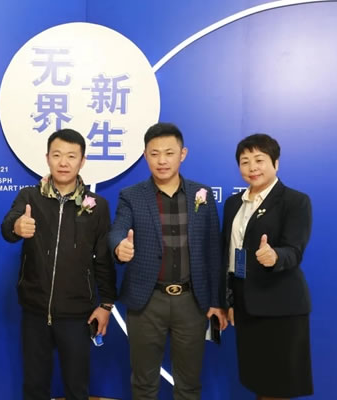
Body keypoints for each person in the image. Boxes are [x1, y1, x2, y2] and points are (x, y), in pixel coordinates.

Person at [108, 122, 227, 400]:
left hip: (192, 301)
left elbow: (213, 249)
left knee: (189, 384)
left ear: (182, 154)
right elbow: (117, 229)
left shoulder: (202, 194)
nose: (162, 160)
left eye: (169, 153)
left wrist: (216, 301)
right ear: (145, 155)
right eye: (154, 153)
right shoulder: (131, 196)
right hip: (147, 301)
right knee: (144, 383)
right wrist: (119, 247)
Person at [1, 128, 117, 400]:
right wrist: (17, 227)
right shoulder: (29, 197)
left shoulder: (97, 206)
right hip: (35, 310)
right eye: (57, 155)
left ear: (82, 161)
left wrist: (106, 304)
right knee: (34, 387)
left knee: (77, 388)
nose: (63, 162)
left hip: (77, 314)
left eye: (71, 156)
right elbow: (7, 228)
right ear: (47, 158)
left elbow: (103, 258)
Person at [222, 133, 313, 399]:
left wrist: (275, 256)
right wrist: (229, 299)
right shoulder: (233, 204)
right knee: (258, 380)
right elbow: (228, 254)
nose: (252, 167)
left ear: (276, 163)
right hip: (245, 304)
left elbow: (294, 250)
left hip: (280, 306)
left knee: (278, 385)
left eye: (259, 160)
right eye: (245, 161)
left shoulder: (295, 201)